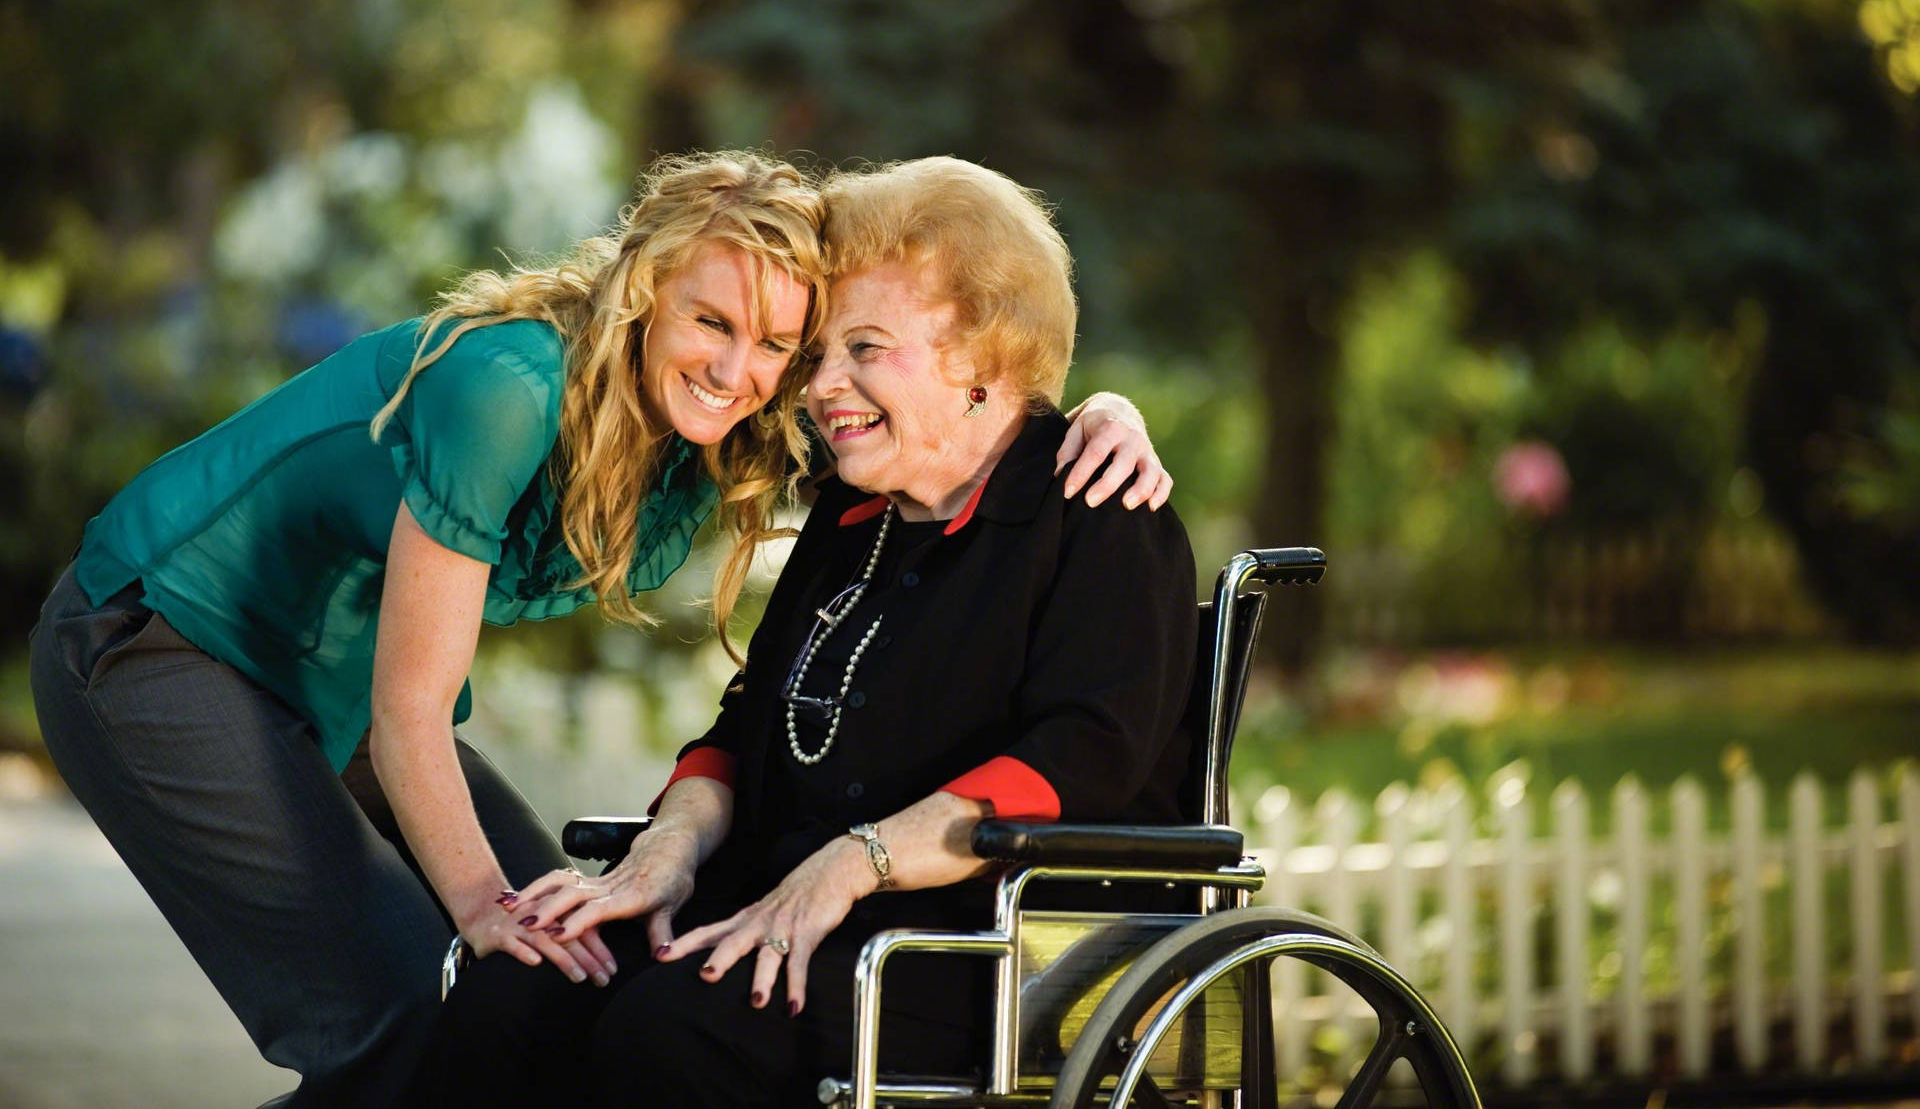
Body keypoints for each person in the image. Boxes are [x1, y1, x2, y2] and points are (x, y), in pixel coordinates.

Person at [26, 150, 1166, 1108]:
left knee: (558, 972)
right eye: (803, 350)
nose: (778, 377)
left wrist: (1101, 409)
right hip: (165, 635)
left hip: (944, 934)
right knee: (452, 993)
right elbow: (461, 711)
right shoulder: (524, 390)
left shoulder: (833, 448)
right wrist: (552, 892)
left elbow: (987, 461)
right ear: (643, 292)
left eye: (810, 346)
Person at [427, 156, 1199, 1106]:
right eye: (819, 354)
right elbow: (739, 732)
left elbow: (1078, 760)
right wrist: (662, 852)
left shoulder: (1092, 507)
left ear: (985, 359)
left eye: (867, 349)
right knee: (523, 984)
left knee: (668, 1032)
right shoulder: (853, 517)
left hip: (976, 949)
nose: (822, 386)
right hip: (781, 904)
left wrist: (854, 862)